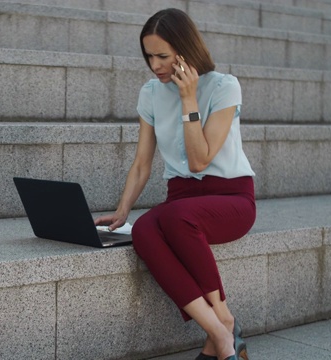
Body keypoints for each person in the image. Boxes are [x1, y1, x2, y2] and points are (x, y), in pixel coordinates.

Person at [94, 8, 255, 360]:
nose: (155, 65)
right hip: (182, 201)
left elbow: (200, 160)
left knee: (173, 217)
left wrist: (188, 98)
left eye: (162, 56)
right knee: (145, 229)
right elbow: (142, 162)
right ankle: (218, 330)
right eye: (148, 56)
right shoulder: (150, 94)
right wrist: (123, 211)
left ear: (184, 49)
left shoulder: (225, 87)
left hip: (231, 199)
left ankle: (225, 321)